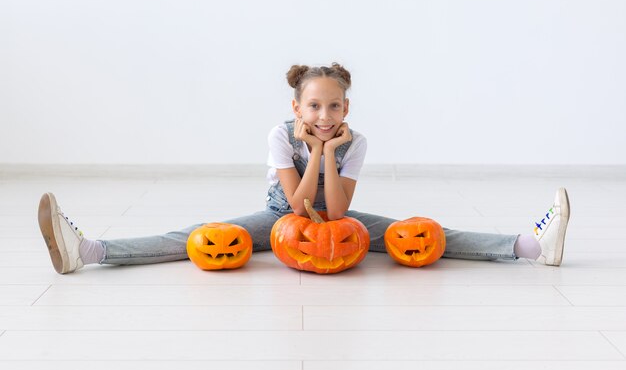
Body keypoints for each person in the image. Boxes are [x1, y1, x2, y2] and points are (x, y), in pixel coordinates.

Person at [37, 63, 570, 274]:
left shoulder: (356, 142)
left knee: (424, 234)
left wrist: (333, 152)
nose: (324, 115)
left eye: (334, 107)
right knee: (198, 237)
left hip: (337, 226)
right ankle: (87, 251)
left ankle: (528, 246)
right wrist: (315, 152)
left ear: (346, 110)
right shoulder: (278, 136)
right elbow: (296, 206)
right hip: (282, 220)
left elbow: (336, 211)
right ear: (298, 110)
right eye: (314, 107)